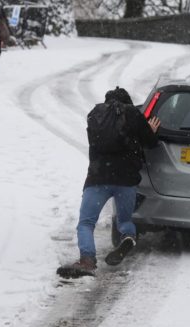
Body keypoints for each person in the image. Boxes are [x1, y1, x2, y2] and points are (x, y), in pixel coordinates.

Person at [57, 87, 161, 278]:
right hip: (126, 180)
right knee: (124, 220)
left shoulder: (95, 115)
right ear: (127, 101)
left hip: (98, 178)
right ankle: (128, 236)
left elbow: (97, 143)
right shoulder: (132, 114)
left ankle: (87, 260)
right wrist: (150, 131)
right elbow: (151, 143)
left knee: (86, 223)